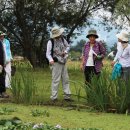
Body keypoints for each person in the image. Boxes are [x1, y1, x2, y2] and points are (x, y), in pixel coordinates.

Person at [46, 26, 72, 102]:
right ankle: (54, 97)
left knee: (66, 79)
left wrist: (65, 52)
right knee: (55, 80)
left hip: (64, 61)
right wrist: (50, 60)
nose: (58, 36)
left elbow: (68, 46)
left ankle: (67, 96)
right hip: (56, 62)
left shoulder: (63, 39)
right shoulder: (50, 42)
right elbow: (48, 53)